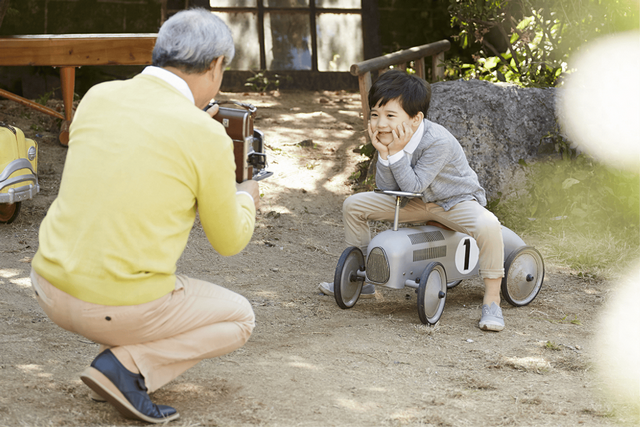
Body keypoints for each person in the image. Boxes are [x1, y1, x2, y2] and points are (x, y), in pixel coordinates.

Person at [30, 9, 259, 424]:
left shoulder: (98, 96)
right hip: (114, 306)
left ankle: (115, 369)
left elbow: (135, 154)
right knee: (240, 317)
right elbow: (230, 241)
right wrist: (247, 195)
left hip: (48, 284)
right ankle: (127, 367)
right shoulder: (205, 135)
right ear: (213, 66)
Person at [319, 69, 505, 331]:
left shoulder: (437, 141)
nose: (381, 124)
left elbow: (415, 184)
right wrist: (385, 154)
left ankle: (492, 300)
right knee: (354, 205)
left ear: (415, 119)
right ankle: (364, 278)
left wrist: (393, 153)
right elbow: (388, 189)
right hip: (414, 202)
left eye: (390, 115)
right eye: (375, 114)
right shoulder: (391, 139)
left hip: (454, 201)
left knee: (488, 225)